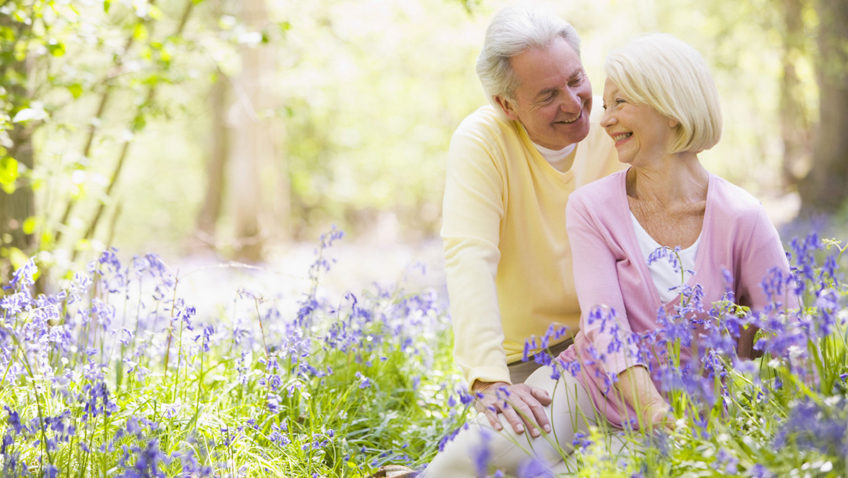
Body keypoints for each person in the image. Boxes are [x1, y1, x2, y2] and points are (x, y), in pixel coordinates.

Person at [421, 32, 796, 476]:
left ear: (671, 109)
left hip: (688, 414)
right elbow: (605, 327)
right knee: (462, 462)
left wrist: (789, 426)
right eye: (608, 104)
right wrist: (656, 412)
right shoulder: (593, 207)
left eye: (619, 104)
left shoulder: (742, 217)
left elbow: (789, 336)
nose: (602, 119)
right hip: (588, 384)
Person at [440, 5, 619, 441]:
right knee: (521, 447)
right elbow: (469, 257)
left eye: (576, 80)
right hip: (525, 355)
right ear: (507, 104)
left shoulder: (614, 129)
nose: (574, 103)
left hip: (604, 341)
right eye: (547, 95)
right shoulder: (483, 140)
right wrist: (489, 380)